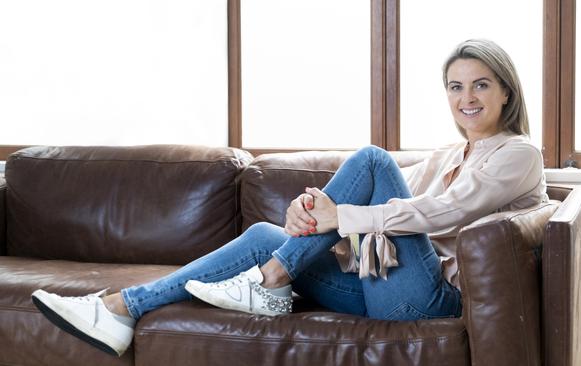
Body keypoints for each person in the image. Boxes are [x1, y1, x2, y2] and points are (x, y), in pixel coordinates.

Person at [31, 39, 548, 357]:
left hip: (431, 300)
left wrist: (337, 215)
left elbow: (446, 210)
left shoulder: (518, 154)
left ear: (507, 91)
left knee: (371, 158)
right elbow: (387, 196)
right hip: (385, 288)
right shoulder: (448, 153)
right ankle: (120, 309)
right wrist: (309, 215)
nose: (467, 99)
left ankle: (271, 279)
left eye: (481, 85)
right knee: (264, 234)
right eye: (455, 88)